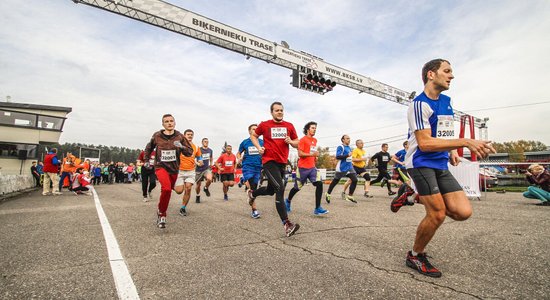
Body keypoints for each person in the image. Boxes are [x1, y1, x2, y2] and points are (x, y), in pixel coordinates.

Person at [400, 58, 495, 277]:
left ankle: (412, 195)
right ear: (431, 74)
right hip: (421, 162)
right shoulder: (418, 104)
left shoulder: (447, 101)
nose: (452, 76)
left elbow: (443, 134)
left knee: (463, 212)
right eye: (447, 71)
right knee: (437, 214)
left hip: (440, 162)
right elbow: (424, 143)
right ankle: (415, 255)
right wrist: (465, 141)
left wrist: (452, 149)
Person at [248, 101, 301, 237]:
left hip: (282, 163)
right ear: (271, 112)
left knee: (271, 190)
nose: (280, 112)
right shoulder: (265, 125)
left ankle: (253, 193)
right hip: (269, 161)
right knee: (280, 188)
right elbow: (254, 136)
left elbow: (297, 142)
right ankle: (287, 224)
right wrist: (259, 148)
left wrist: (291, 142)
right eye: (277, 110)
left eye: (281, 110)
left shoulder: (289, 126)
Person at [143, 114, 193, 229]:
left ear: (175, 123)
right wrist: (146, 160)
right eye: (166, 121)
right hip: (160, 167)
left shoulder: (180, 136)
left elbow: (189, 152)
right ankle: (162, 214)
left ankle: (160, 209)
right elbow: (148, 148)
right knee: (166, 188)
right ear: (163, 124)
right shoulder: (157, 136)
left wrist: (181, 147)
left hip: (174, 169)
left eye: (171, 121)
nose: (169, 123)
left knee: (167, 191)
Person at [285, 121, 328, 216]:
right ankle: (288, 201)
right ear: (307, 129)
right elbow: (300, 154)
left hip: (312, 167)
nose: (314, 130)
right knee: (297, 188)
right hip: (302, 168)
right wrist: (311, 154)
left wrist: (315, 156)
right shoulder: (303, 140)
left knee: (319, 184)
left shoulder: (314, 140)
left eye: (315, 128)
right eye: (313, 128)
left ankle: (317, 208)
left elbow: (312, 152)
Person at [237, 124, 264, 218]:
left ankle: (243, 180)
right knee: (251, 186)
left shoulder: (262, 142)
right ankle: (254, 210)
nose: (255, 131)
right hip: (247, 166)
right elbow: (238, 152)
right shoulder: (245, 142)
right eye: (253, 129)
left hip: (258, 167)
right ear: (249, 131)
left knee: (254, 190)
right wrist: (239, 158)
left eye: (257, 129)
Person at [174, 129, 203, 216]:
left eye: (191, 135)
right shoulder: (179, 145)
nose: (190, 136)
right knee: (179, 191)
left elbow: (199, 158)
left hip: (191, 171)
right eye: (188, 134)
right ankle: (174, 185)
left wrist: (200, 162)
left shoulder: (196, 147)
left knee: (188, 188)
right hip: (179, 171)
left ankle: (183, 208)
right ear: (184, 135)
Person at [325, 135, 358, 204]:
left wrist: (351, 161)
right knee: (335, 181)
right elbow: (338, 156)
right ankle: (328, 193)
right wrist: (347, 155)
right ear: (343, 140)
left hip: (349, 167)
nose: (349, 140)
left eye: (349, 138)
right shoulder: (341, 147)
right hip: (342, 168)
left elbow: (348, 157)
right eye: (347, 138)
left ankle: (350, 196)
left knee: (355, 180)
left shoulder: (349, 147)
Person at [195, 138, 214, 203]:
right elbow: (194, 158)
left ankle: (206, 188)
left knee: (210, 179)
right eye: (205, 141)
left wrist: (211, 164)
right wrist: (197, 163)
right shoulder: (199, 149)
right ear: (202, 142)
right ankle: (198, 195)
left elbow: (211, 158)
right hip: (198, 170)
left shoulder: (210, 150)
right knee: (198, 185)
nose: (206, 142)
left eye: (207, 142)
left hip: (206, 169)